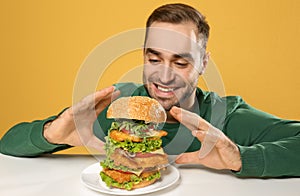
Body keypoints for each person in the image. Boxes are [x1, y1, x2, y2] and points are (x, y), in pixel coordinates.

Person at [1, 3, 299, 178]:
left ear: (203, 63)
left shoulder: (228, 116)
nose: (164, 76)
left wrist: (241, 157)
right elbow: (8, 145)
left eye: (181, 62)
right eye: (154, 59)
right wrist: (51, 134)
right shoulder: (116, 105)